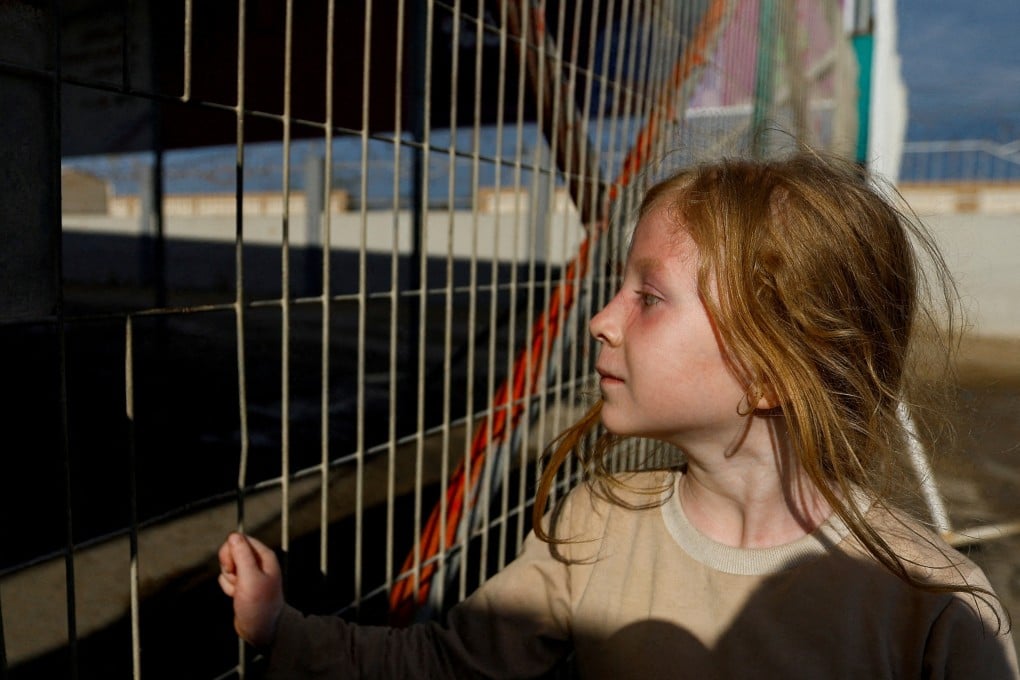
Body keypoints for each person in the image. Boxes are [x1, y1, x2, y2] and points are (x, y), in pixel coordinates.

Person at [219, 152, 1019, 678]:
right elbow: (442, 665)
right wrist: (282, 628)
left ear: (777, 364)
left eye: (648, 296)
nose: (600, 320)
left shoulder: (937, 607)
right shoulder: (602, 524)